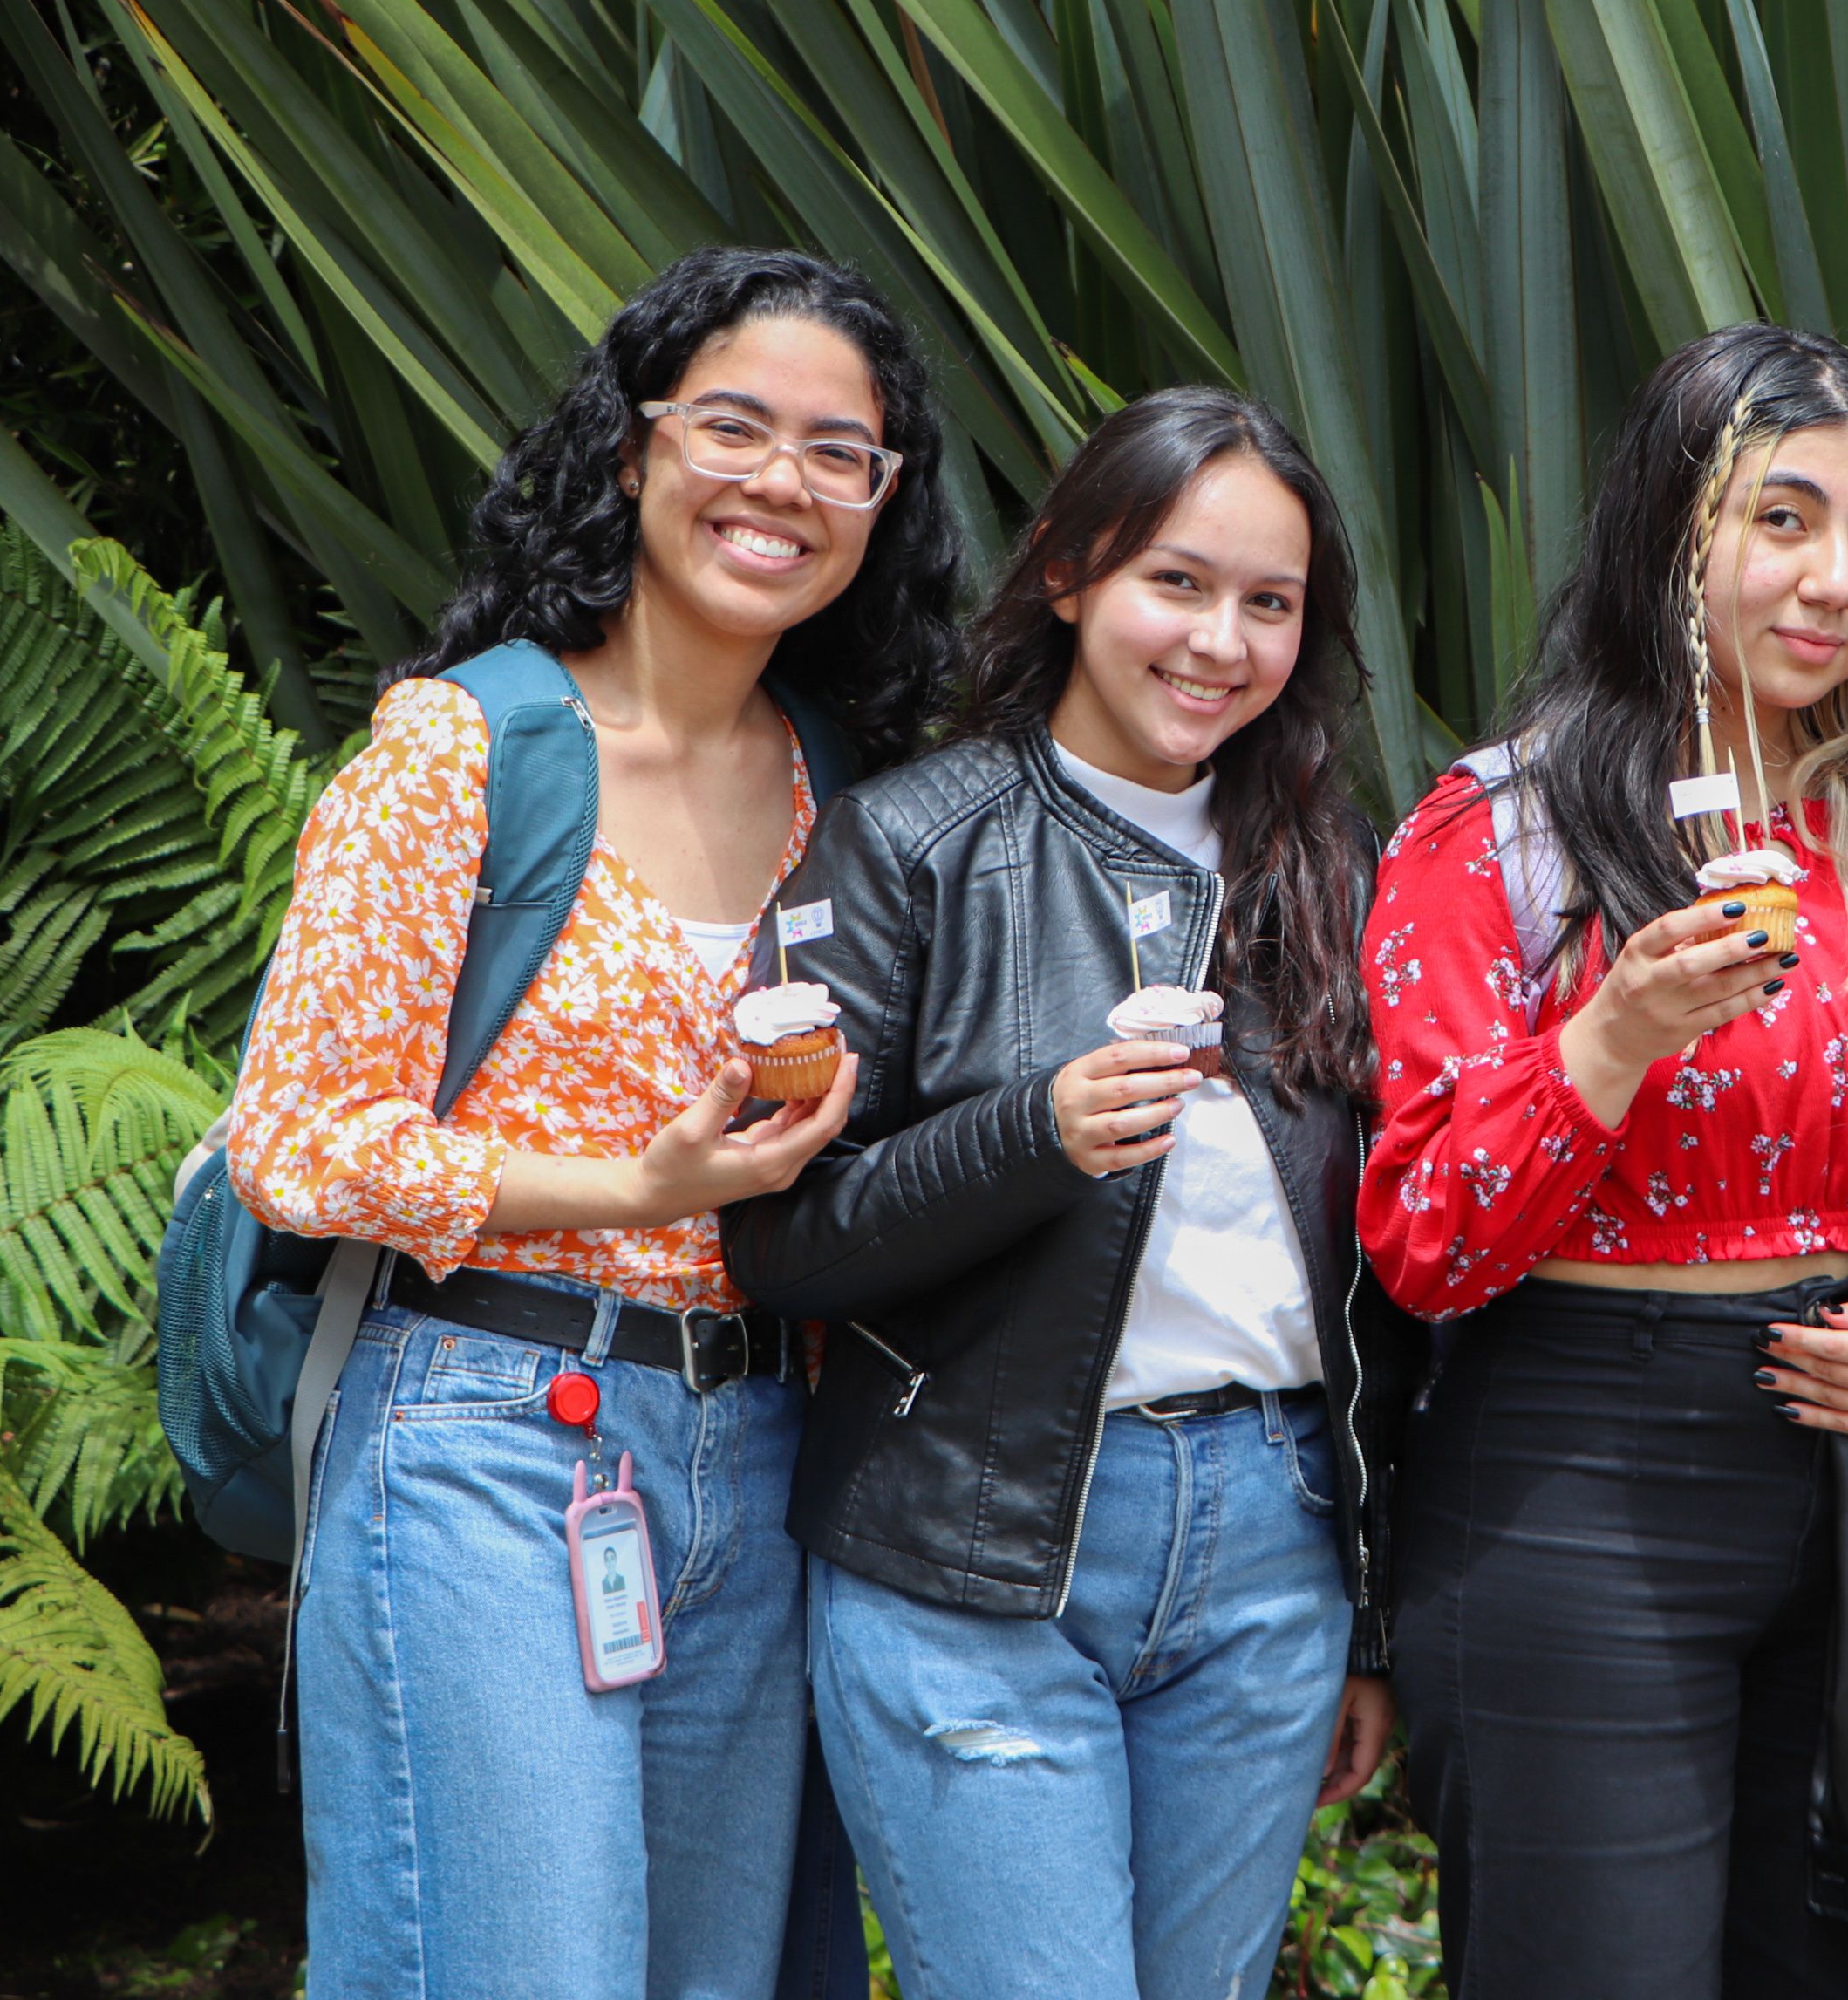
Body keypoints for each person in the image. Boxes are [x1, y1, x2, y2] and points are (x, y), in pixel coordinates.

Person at [231, 247, 965, 2000]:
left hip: (760, 1452)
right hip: (490, 1427)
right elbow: (299, 1136)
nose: (781, 479)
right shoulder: (462, 747)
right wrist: (636, 1181)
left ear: (881, 501)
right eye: (735, 424)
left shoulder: (841, 782)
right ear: (633, 452)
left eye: (838, 450)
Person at [1360, 322, 1848, 2000]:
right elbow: (1420, 1241)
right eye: (1783, 518)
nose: (1834, 579)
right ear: (1674, 529)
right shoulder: (1507, 831)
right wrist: (1610, 1037)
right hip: (1577, 1473)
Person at [721, 387, 1417, 2000]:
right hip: (972, 1541)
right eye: (1176, 582)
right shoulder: (909, 847)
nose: (1218, 641)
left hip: (1270, 1538)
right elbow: (778, 1235)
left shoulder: (1336, 866)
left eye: (1269, 603)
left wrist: (1365, 1615)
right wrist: (1032, 1136)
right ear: (1068, 573)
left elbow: (1383, 1278)